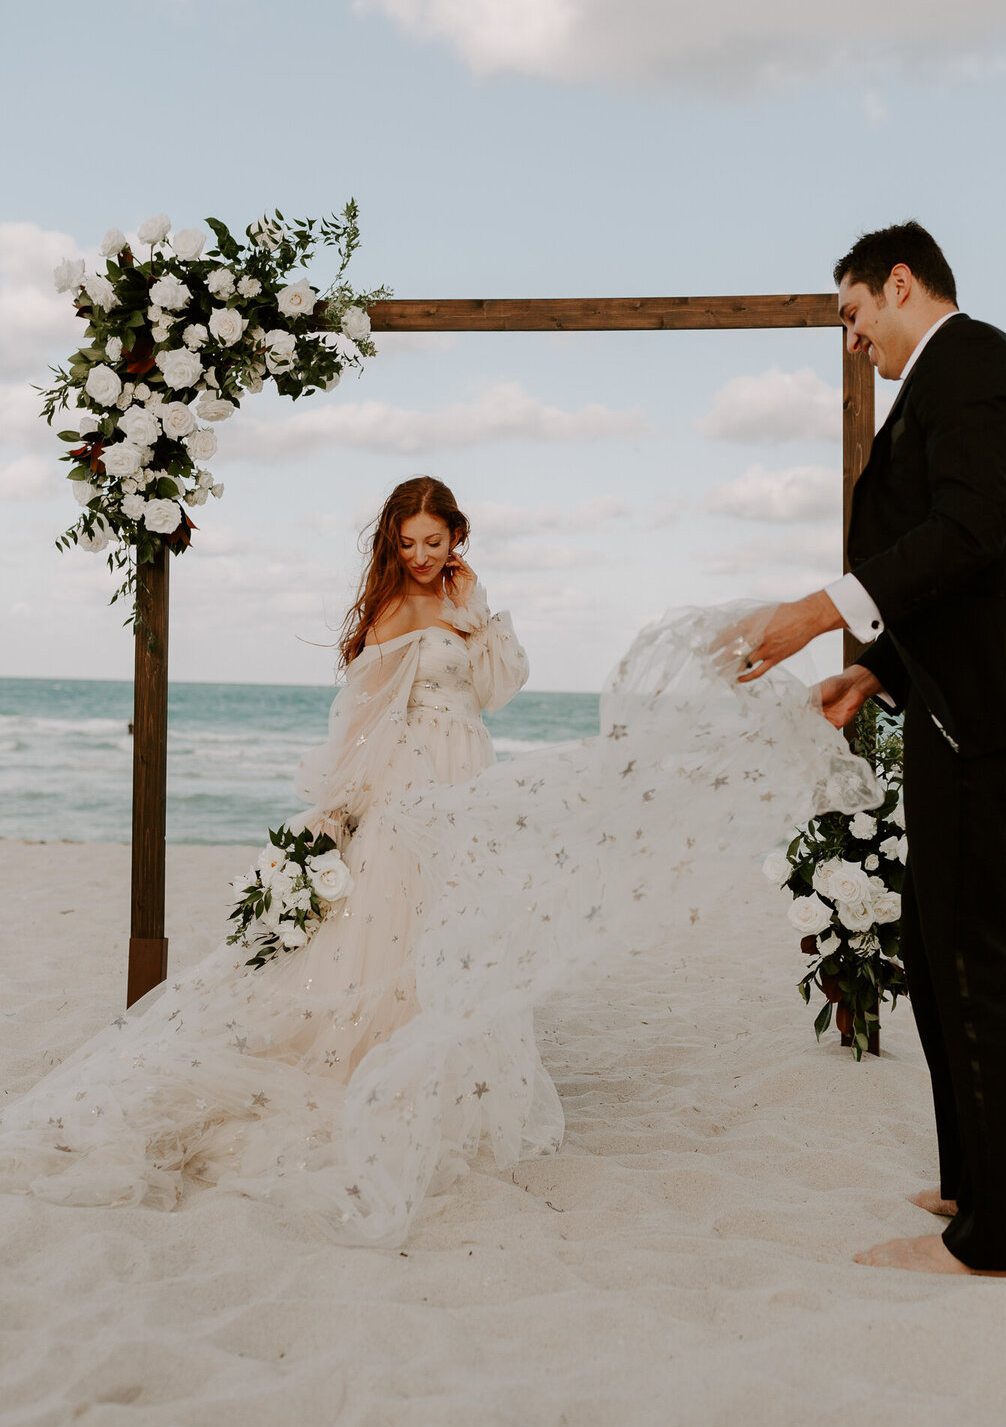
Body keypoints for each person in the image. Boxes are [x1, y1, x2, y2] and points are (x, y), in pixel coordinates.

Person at [0, 476, 877, 1246]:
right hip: (412, 789)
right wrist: (345, 807)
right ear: (392, 544)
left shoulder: (460, 599)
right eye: (407, 543)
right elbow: (360, 721)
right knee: (399, 932)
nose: (421, 556)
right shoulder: (391, 611)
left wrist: (478, 607)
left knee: (461, 927)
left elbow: (498, 689)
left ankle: (456, 1068)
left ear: (456, 537)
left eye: (434, 541)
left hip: (470, 774)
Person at [729, 221, 1006, 1277]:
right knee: (930, 933)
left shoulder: (974, 366)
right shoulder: (954, 375)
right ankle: (969, 1184)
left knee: (967, 950)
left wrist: (819, 613)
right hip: (963, 698)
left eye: (855, 314)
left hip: (1005, 708)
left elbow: (971, 534)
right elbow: (966, 573)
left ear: (899, 283)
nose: (853, 339)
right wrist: (880, 672)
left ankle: (994, 1235)